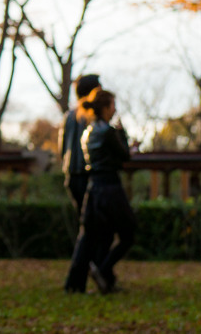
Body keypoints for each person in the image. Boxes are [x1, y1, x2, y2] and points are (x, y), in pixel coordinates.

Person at [64, 89, 136, 294]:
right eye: (113, 105)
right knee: (128, 233)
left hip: (93, 190)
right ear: (105, 108)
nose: (115, 109)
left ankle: (82, 282)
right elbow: (124, 156)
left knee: (92, 236)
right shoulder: (109, 131)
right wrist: (122, 133)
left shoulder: (87, 132)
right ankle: (102, 271)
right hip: (111, 189)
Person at [58, 74, 101, 213]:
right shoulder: (92, 115)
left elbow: (63, 148)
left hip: (71, 174)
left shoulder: (68, 116)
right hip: (88, 174)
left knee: (83, 219)